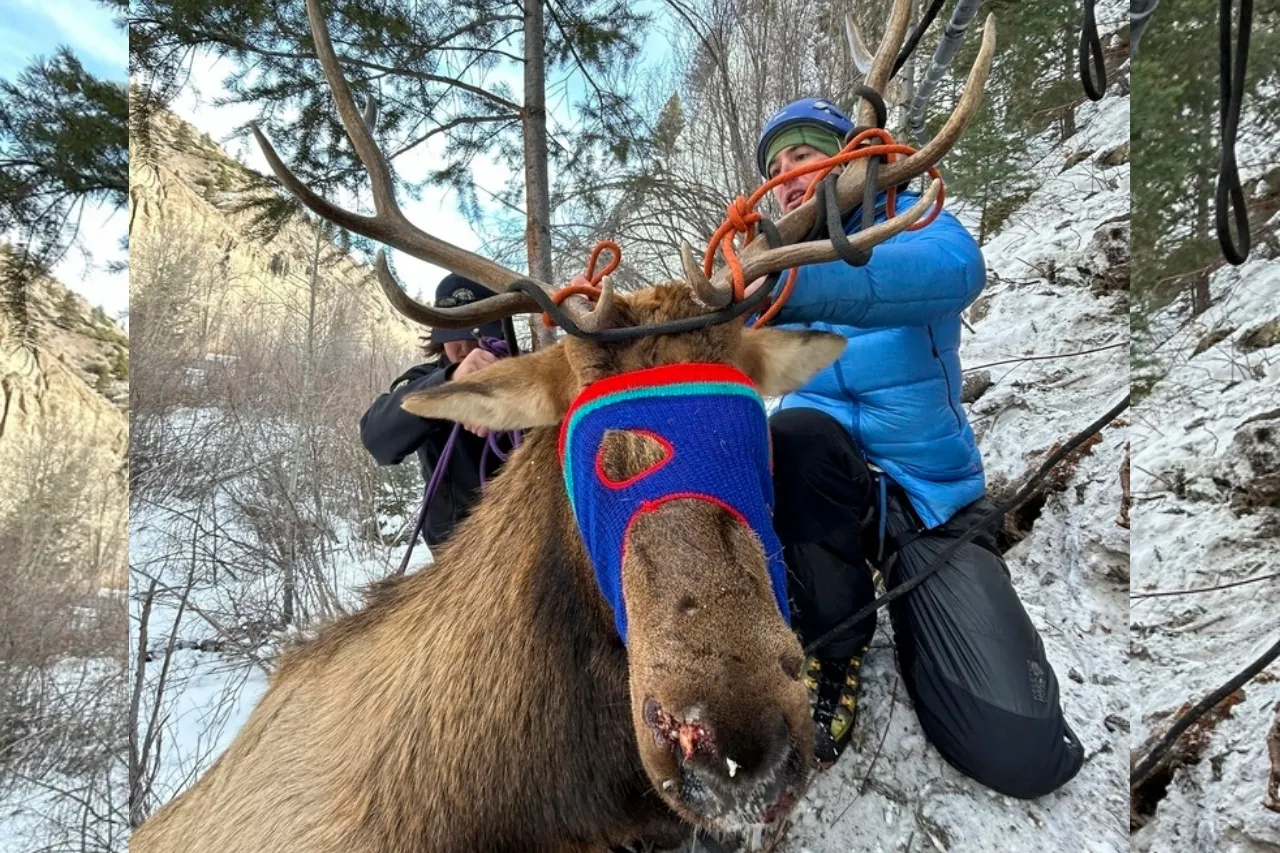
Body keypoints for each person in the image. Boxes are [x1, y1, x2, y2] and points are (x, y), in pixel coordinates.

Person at [748, 97, 1083, 796]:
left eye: (803, 155)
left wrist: (796, 277)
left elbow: (954, 273)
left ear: (853, 157)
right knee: (793, 436)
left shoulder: (915, 222)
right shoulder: (764, 274)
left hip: (929, 503)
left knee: (1017, 751)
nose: (785, 176)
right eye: (773, 168)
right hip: (824, 493)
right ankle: (835, 649)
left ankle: (919, 599)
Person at [360, 273, 515, 550]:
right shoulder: (423, 379)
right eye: (454, 336)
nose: (465, 348)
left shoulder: (525, 371)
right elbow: (376, 437)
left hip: (528, 540)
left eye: (475, 335)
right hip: (458, 555)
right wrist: (449, 386)